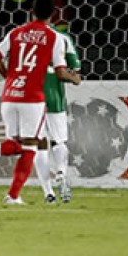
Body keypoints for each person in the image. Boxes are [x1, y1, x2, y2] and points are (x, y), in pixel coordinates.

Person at [0, 0, 81, 205]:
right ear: (53, 14)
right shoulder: (57, 37)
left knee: (25, 144)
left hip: (11, 94)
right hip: (38, 97)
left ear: (31, 11)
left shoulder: (16, 32)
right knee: (41, 144)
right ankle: (58, 173)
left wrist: (8, 77)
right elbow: (64, 71)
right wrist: (75, 78)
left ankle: (42, 193)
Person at [34, 28, 81, 204]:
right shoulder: (62, 38)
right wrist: (74, 78)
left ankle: (48, 194)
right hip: (54, 96)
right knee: (58, 141)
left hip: (32, 97)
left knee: (39, 145)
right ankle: (61, 171)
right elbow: (75, 67)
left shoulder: (22, 36)